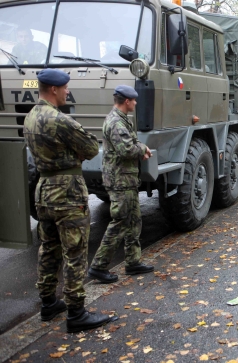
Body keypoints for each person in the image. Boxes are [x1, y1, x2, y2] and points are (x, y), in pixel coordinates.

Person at [23, 69, 111, 333]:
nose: (67, 92)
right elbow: (91, 148)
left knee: (48, 248)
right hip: (67, 194)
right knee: (75, 251)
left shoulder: (29, 117)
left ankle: (48, 302)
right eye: (65, 88)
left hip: (44, 191)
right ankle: (76, 313)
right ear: (53, 89)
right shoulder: (60, 120)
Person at [88, 85, 153, 283]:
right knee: (120, 222)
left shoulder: (122, 120)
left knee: (134, 220)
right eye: (133, 100)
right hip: (120, 181)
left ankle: (133, 262)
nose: (135, 103)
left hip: (127, 179)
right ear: (126, 101)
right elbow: (126, 150)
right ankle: (98, 266)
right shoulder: (116, 122)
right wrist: (142, 148)